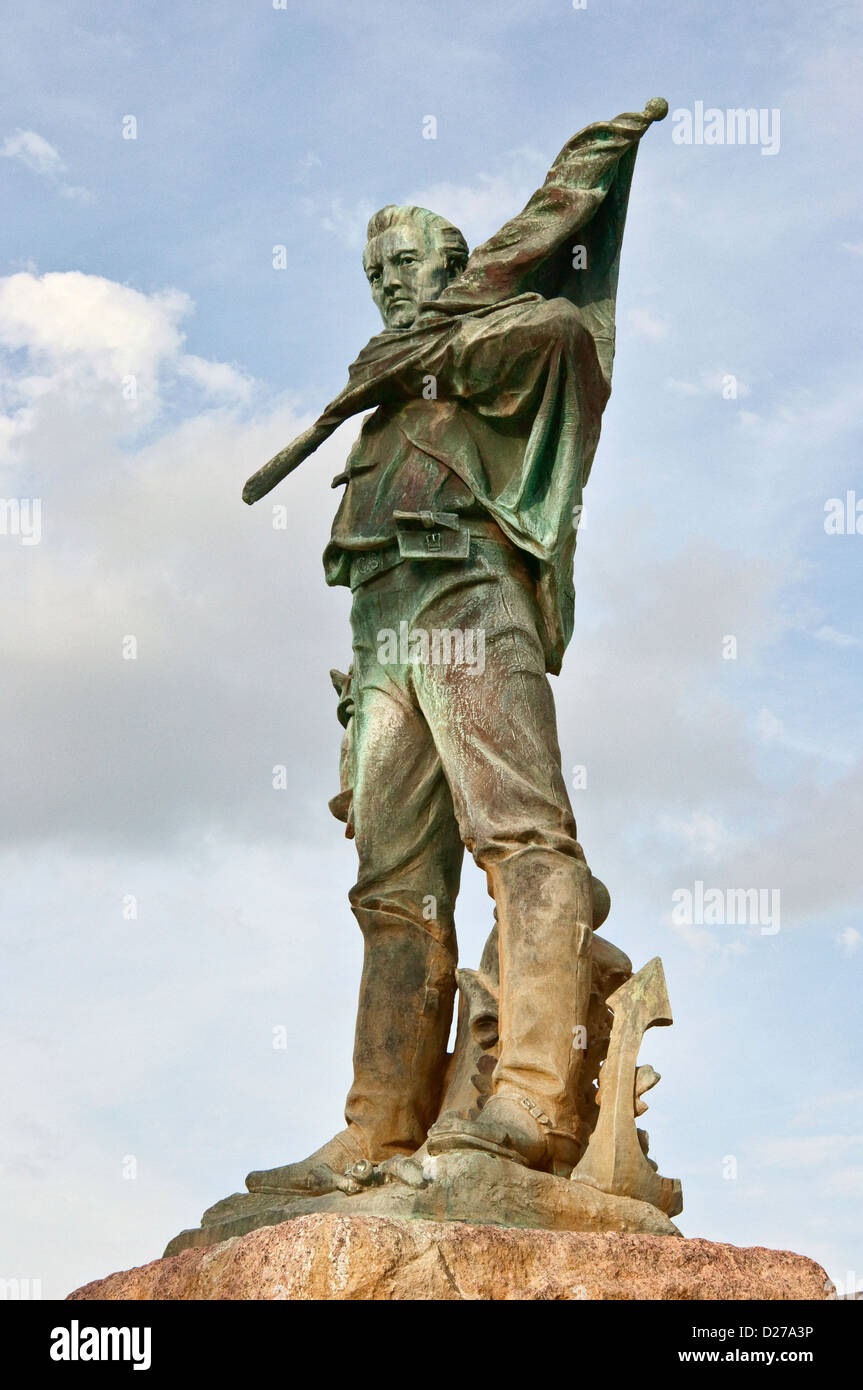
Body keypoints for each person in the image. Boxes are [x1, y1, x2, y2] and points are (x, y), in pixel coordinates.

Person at [242, 100, 667, 1191]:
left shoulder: (487, 341)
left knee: (521, 838)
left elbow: (568, 340)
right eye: (375, 266)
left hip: (468, 599)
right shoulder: (382, 390)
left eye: (409, 259)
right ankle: (376, 1124)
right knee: (392, 888)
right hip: (381, 625)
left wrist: (451, 346)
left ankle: (530, 1091)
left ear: (457, 262)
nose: (389, 278)